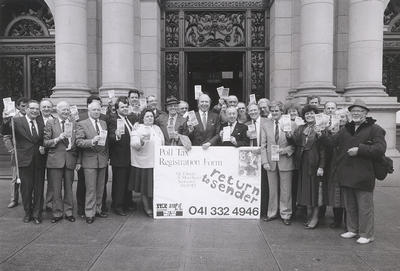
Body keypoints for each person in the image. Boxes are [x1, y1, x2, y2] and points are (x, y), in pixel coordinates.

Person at [324, 99, 386, 244]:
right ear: (350, 114)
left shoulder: (375, 129)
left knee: (364, 207)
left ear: (365, 113)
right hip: (346, 173)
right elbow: (331, 143)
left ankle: (367, 234)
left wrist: (360, 150)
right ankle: (353, 229)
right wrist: (321, 133)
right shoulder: (346, 128)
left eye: (359, 111)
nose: (356, 114)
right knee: (350, 205)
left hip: (364, 174)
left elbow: (380, 149)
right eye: (353, 111)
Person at [2, 100, 46, 224]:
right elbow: (6, 132)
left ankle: (37, 214)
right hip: (24, 160)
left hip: (39, 160)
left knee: (39, 189)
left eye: (37, 109)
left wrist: (43, 147)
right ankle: (28, 213)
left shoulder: (41, 122)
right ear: (26, 109)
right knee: (26, 189)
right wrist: (5, 120)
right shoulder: (16, 121)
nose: (35, 111)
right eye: (32, 108)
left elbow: (42, 139)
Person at [43, 101, 81, 223]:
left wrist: (78, 160)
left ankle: (69, 212)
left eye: (67, 110)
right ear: (57, 111)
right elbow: (45, 142)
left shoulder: (74, 123)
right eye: (63, 110)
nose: (66, 112)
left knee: (69, 188)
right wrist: (58, 138)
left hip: (70, 159)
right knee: (56, 189)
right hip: (55, 161)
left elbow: (78, 143)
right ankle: (57, 213)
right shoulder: (50, 123)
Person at [288, 104, 325, 229]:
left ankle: (315, 217)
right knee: (307, 191)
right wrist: (289, 135)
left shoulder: (320, 129)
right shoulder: (301, 128)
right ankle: (309, 215)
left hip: (315, 163)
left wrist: (321, 166)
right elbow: (295, 142)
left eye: (311, 113)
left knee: (315, 192)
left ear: (316, 115)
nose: (309, 115)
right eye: (307, 114)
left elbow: (324, 150)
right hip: (303, 164)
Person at [261, 101, 295, 225]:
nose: (274, 113)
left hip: (285, 160)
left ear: (282, 111)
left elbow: (295, 145)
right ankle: (272, 212)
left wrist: (284, 150)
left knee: (286, 190)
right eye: (272, 110)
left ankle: (286, 214)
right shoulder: (265, 124)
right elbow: (263, 145)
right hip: (271, 162)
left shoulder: (291, 124)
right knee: (272, 189)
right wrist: (264, 161)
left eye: (277, 110)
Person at [76, 101, 109, 224]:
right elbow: (78, 142)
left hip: (102, 160)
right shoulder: (81, 124)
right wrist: (91, 141)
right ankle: (89, 212)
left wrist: (107, 157)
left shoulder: (103, 123)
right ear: (89, 111)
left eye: (98, 110)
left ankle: (98, 209)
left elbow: (106, 144)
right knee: (90, 188)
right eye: (94, 110)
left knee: (100, 187)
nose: (96, 112)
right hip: (89, 160)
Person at [129, 109, 165, 217]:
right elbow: (134, 144)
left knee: (155, 187)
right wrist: (141, 141)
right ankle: (147, 207)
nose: (150, 118)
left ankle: (155, 205)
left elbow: (162, 141)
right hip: (144, 163)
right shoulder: (137, 128)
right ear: (142, 118)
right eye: (147, 116)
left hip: (157, 162)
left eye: (151, 116)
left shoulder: (157, 128)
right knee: (145, 188)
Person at [108, 97, 138, 216]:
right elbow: (109, 138)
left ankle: (127, 202)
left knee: (128, 183)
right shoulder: (113, 120)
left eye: (126, 106)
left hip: (131, 157)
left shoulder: (131, 119)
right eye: (122, 107)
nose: (125, 109)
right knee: (119, 184)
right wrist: (116, 136)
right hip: (119, 157)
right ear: (117, 109)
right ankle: (118, 205)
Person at [2, 97, 28, 208]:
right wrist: (12, 150)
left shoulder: (31, 116)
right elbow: (6, 136)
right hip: (17, 152)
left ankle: (29, 198)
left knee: (28, 178)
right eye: (23, 106)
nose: (25, 108)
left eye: (27, 106)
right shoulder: (11, 118)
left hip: (28, 152)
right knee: (14, 177)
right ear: (17, 106)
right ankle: (14, 199)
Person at [325, 108, 349, 228]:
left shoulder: (349, 130)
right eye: (338, 117)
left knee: (346, 196)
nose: (341, 120)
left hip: (345, 166)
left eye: (343, 117)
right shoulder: (333, 130)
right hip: (334, 166)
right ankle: (337, 220)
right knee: (336, 195)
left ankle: (348, 222)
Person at [246, 103, 269, 218]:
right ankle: (253, 208)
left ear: (259, 111)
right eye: (250, 111)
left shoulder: (267, 121)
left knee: (264, 185)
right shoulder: (246, 125)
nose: (253, 112)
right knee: (252, 185)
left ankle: (264, 211)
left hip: (265, 157)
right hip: (252, 158)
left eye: (255, 110)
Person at [39, 98, 55, 212]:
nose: (46, 109)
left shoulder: (56, 120)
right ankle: (38, 203)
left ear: (52, 108)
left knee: (52, 181)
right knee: (38, 181)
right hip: (38, 155)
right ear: (40, 108)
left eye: (48, 107)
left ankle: (49, 203)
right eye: (44, 107)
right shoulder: (35, 120)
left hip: (52, 155)